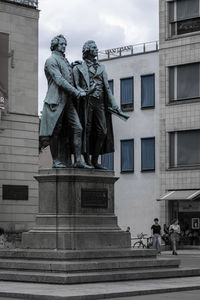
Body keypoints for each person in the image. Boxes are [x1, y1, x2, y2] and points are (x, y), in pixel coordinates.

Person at [73, 40, 128, 169]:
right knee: (86, 130)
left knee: (102, 131)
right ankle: (86, 160)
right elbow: (76, 87)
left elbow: (107, 88)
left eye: (96, 47)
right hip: (87, 101)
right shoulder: (79, 67)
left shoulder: (101, 67)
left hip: (100, 102)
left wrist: (115, 106)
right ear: (87, 50)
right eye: (93, 47)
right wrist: (87, 92)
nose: (96, 49)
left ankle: (95, 159)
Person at [40, 35, 92, 169]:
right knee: (55, 131)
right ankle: (55, 160)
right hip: (55, 101)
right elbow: (59, 80)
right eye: (62, 44)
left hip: (68, 101)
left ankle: (78, 160)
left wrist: (74, 67)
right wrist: (76, 92)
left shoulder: (65, 61)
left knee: (78, 128)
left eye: (65, 44)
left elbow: (70, 78)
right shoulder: (51, 60)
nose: (64, 46)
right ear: (55, 45)